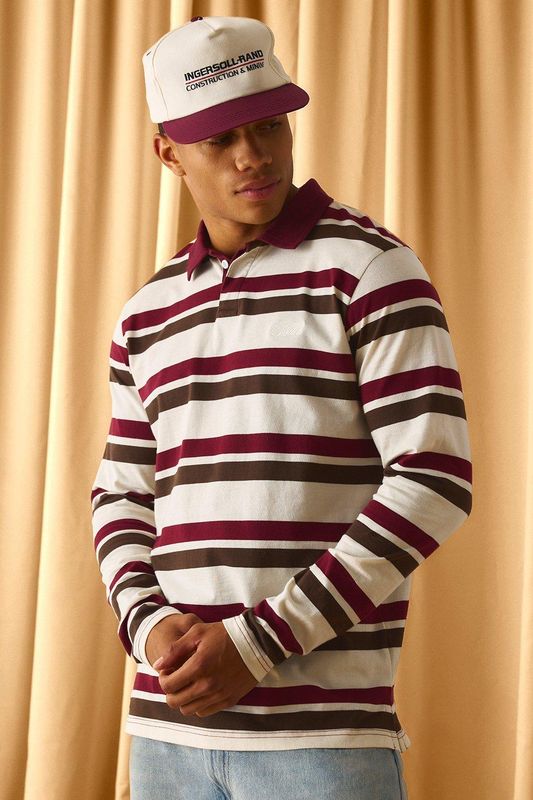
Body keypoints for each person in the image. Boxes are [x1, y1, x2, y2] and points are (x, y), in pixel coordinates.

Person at [91, 15, 472, 800]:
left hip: (320, 741)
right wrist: (148, 625)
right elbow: (121, 494)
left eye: (268, 124)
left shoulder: (370, 271)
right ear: (168, 153)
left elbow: (433, 480)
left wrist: (258, 643)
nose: (253, 155)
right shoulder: (145, 314)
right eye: (219, 139)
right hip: (166, 737)